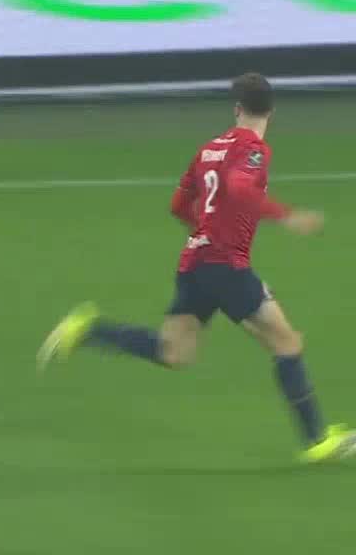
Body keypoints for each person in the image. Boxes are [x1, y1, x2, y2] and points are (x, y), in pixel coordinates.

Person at [38, 73, 356, 463]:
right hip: (226, 266)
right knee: (286, 342)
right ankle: (317, 440)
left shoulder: (208, 150)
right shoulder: (254, 150)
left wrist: (205, 229)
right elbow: (240, 189)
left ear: (236, 108)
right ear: (271, 111)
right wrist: (287, 216)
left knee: (173, 352)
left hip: (195, 263)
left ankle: (88, 329)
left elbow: (178, 205)